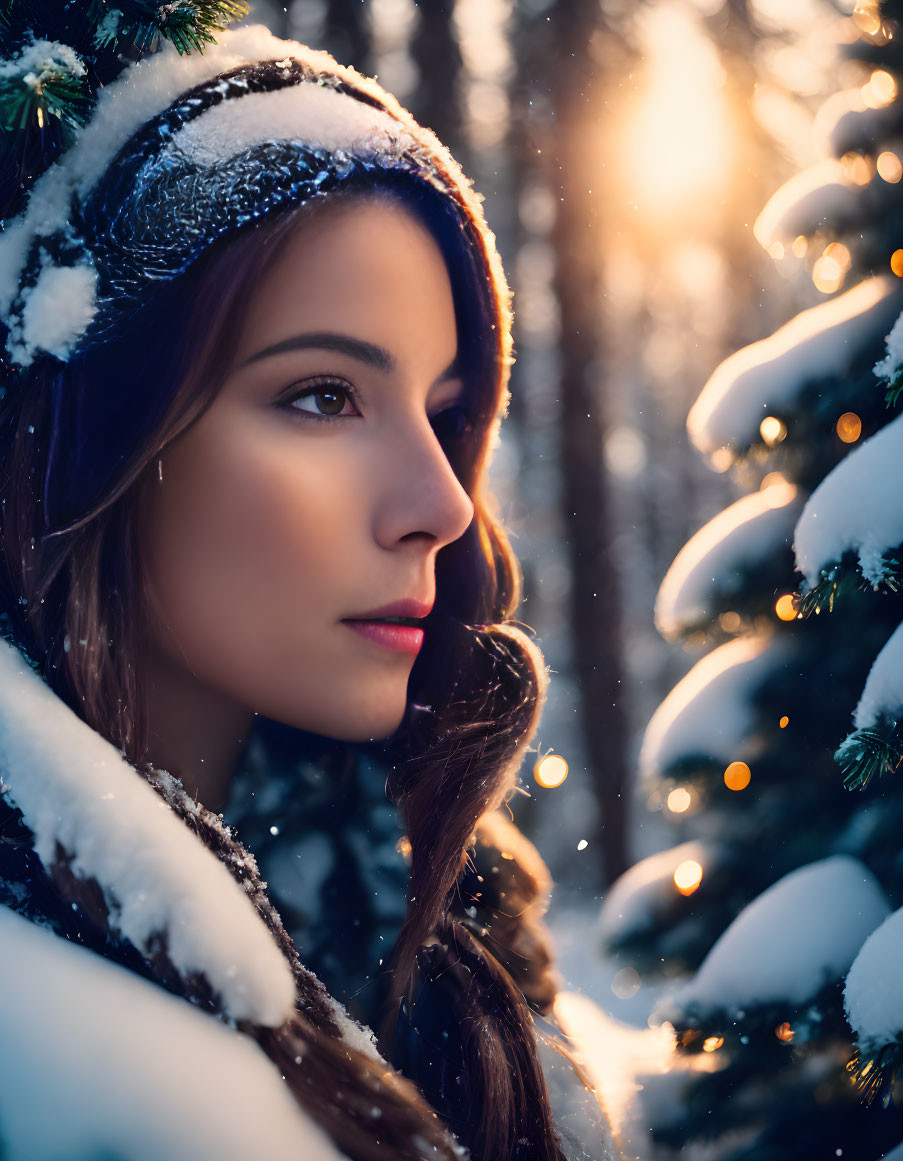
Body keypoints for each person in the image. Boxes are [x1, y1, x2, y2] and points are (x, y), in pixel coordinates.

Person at [0, 13, 617, 1161]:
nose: (440, 506)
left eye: (445, 414)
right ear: (100, 435)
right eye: (325, 395)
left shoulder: (448, 947)